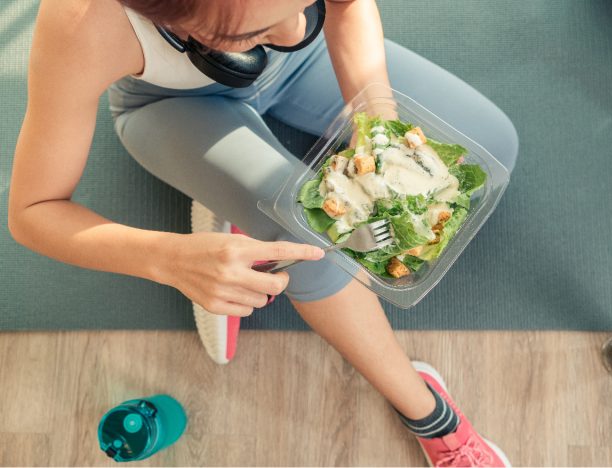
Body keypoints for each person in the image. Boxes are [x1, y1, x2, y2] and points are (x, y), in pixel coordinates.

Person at [7, 0, 518, 465]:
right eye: (259, 29)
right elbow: (33, 211)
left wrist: (379, 130)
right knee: (311, 251)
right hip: (173, 105)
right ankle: (431, 416)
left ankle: (233, 195)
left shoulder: (295, 28)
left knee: (490, 149)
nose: (297, 25)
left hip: (303, 64)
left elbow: (347, 6)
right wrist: (171, 258)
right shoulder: (82, 22)